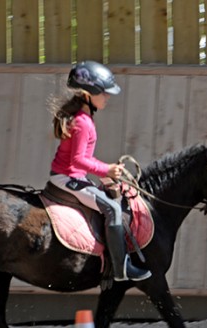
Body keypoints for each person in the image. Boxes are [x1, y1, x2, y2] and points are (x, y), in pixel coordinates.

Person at [49, 61, 151, 282]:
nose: (107, 97)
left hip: (73, 175)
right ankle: (120, 267)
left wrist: (106, 176)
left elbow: (83, 158)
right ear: (88, 93)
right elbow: (78, 160)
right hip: (68, 179)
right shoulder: (83, 122)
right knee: (113, 209)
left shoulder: (84, 118)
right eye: (104, 93)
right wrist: (107, 168)